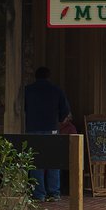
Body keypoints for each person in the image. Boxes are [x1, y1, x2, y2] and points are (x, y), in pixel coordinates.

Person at [24, 66, 71, 202]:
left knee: (35, 162)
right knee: (53, 161)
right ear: (48, 76)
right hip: (51, 128)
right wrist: (59, 120)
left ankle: (39, 194)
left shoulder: (28, 90)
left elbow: (21, 107)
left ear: (36, 76)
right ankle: (54, 192)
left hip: (32, 128)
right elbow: (65, 110)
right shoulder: (56, 90)